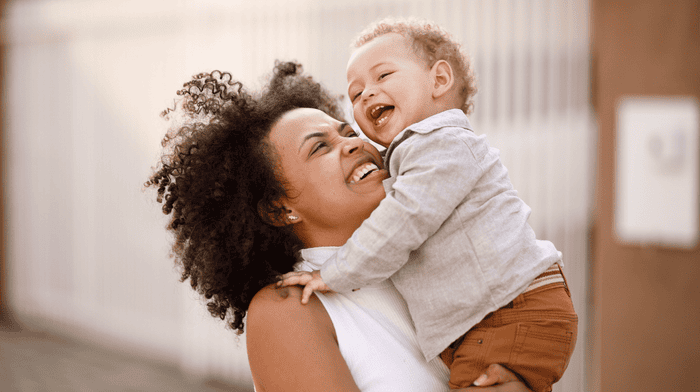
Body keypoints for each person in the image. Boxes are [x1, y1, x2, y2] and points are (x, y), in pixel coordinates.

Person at [146, 62, 533, 391]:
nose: (353, 144)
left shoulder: (431, 257)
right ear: (280, 209)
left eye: (348, 133)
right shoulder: (288, 310)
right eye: (319, 147)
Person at [278, 18, 578, 392]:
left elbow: (404, 220)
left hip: (508, 310)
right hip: (503, 313)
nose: (367, 94)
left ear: (439, 80)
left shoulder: (441, 145)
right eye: (355, 94)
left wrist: (333, 274)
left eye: (383, 75)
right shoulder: (418, 157)